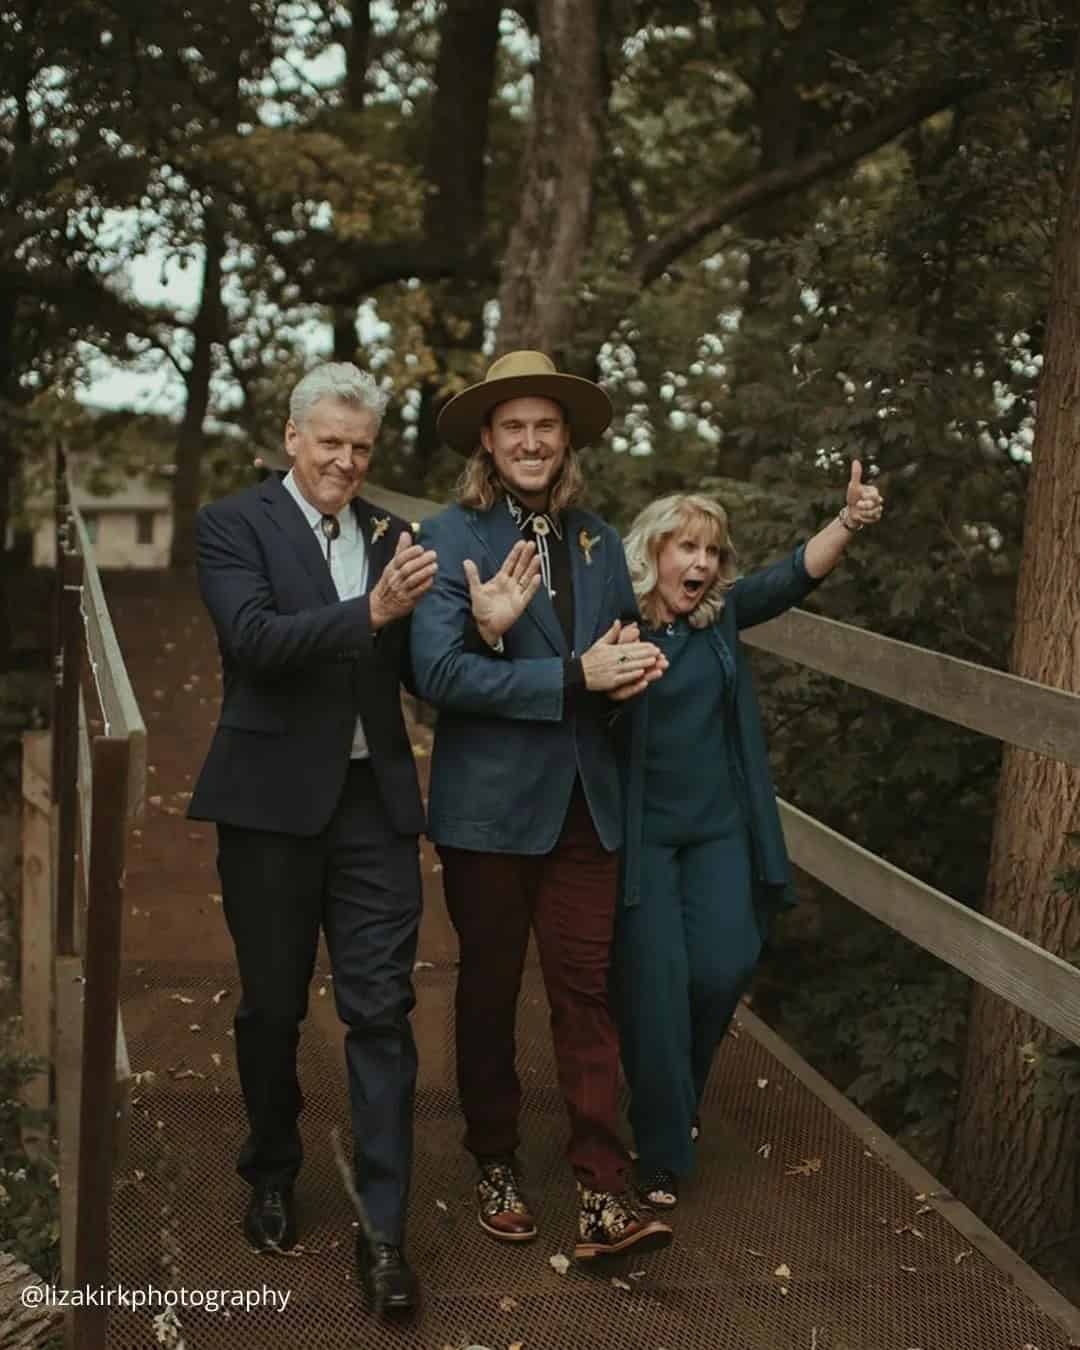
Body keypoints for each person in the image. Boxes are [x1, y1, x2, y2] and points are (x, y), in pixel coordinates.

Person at [409, 350, 674, 1260]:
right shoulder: (450, 537)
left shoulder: (599, 540)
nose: (530, 441)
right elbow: (440, 673)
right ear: (487, 439)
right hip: (488, 810)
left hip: (583, 809)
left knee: (585, 992)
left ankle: (604, 1190)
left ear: (567, 442)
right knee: (488, 990)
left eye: (546, 427)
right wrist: (569, 672)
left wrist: (629, 674)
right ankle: (494, 1162)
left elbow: (612, 654)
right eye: (513, 426)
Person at [188, 362, 438, 1315]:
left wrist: (484, 626)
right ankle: (273, 1166)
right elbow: (252, 640)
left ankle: (385, 1230)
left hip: (375, 801)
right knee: (274, 1006)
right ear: (292, 438)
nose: (344, 460)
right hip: (269, 802)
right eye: (329, 441)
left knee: (381, 1012)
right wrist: (368, 613)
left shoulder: (390, 534)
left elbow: (421, 661)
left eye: (361, 447)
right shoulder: (232, 524)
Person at [611, 468, 884, 1210]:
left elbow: (792, 577)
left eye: (711, 551)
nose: (700, 563)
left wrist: (850, 522)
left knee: (722, 968)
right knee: (659, 987)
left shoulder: (719, 617)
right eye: (685, 547)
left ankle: (666, 1101)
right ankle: (663, 1147)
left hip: (719, 829)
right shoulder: (614, 622)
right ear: (653, 553)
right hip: (643, 841)